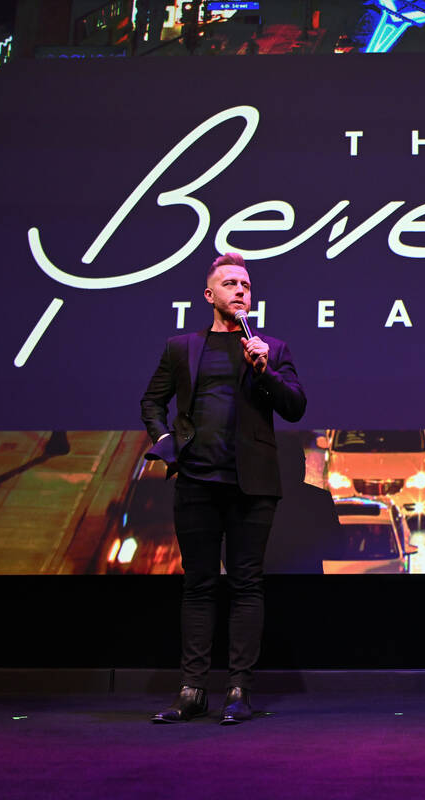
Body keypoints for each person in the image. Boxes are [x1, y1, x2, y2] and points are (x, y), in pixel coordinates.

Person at [140, 252, 306, 725]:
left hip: (252, 485)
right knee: (198, 586)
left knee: (246, 585)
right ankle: (192, 691)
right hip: (196, 480)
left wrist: (265, 370)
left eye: (246, 285)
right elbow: (152, 402)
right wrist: (166, 441)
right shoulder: (181, 347)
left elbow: (295, 406)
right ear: (210, 295)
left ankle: (238, 690)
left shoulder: (271, 348)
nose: (240, 291)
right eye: (230, 283)